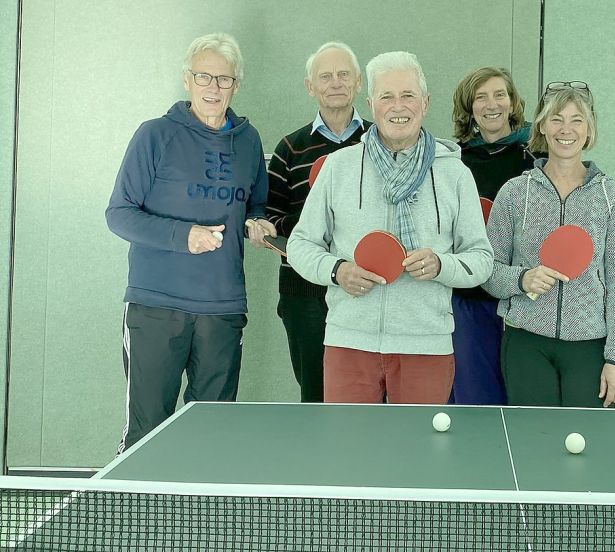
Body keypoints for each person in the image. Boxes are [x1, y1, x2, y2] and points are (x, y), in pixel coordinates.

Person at [286, 51, 493, 404]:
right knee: (349, 454)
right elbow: (300, 245)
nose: (399, 106)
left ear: (425, 103)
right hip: (349, 342)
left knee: (416, 457)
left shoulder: (454, 173)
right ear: (371, 104)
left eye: (408, 95)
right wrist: (338, 270)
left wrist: (443, 265)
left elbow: (482, 260)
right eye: (387, 96)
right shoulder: (339, 168)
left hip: (426, 345)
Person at [106, 33, 275, 452]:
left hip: (223, 308)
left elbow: (257, 202)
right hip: (156, 306)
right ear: (188, 80)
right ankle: (138, 515)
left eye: (224, 79)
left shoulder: (249, 142)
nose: (213, 88)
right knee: (148, 433)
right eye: (204, 77)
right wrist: (184, 237)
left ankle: (198, 520)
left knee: (211, 435)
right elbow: (119, 213)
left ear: (236, 85)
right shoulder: (154, 135)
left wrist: (258, 222)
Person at [481, 82, 615, 408]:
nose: (566, 129)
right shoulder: (514, 193)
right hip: (525, 343)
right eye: (556, 119)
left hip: (590, 346)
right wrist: (522, 279)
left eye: (577, 119)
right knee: (534, 444)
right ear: (541, 126)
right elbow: (490, 273)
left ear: (589, 128)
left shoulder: (612, 197)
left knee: (588, 445)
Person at [266, 42, 369, 403]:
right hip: (303, 295)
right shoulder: (289, 148)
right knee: (315, 395)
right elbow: (270, 215)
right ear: (311, 87)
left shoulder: (382, 142)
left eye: (344, 75)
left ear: (358, 82)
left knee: (367, 399)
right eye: (325, 76)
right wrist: (312, 231)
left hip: (368, 290)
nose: (335, 82)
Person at [448, 67, 535, 405]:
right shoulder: (454, 162)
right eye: (481, 97)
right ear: (470, 109)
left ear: (513, 102)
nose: (491, 104)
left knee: (521, 400)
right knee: (475, 401)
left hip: (523, 299)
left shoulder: (537, 159)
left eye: (500, 94)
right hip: (469, 300)